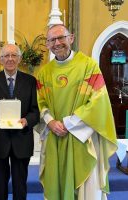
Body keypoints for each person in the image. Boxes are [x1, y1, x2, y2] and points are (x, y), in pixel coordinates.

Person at [36, 24, 118, 200]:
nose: (57, 43)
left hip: (82, 137)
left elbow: (98, 102)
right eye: (52, 40)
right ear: (48, 44)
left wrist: (68, 123)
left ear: (71, 38)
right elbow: (41, 102)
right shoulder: (44, 73)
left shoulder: (89, 67)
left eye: (61, 38)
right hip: (55, 137)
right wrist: (50, 122)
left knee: (86, 191)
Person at [0, 44, 40, 200]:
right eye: (6, 56)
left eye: (13, 55)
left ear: (19, 59)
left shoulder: (30, 81)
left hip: (22, 139)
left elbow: (36, 110)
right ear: (0, 59)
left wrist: (27, 120)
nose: (10, 59)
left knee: (20, 184)